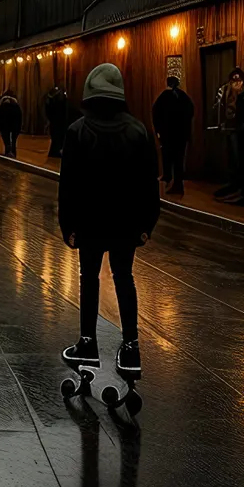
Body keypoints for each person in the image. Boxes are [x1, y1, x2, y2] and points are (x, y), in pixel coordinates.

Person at [59, 63, 159, 380]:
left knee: (89, 278)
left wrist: (68, 225)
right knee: (123, 277)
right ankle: (131, 347)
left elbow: (69, 184)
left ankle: (87, 344)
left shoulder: (77, 131)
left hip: (89, 221)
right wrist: (147, 224)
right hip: (126, 223)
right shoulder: (138, 130)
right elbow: (149, 183)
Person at [215, 67, 244, 205]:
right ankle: (234, 187)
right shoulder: (227, 91)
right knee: (233, 159)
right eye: (234, 80)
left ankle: (243, 192)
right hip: (231, 129)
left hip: (241, 131)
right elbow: (222, 107)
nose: (236, 83)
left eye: (239, 80)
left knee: (241, 160)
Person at [152, 74, 194, 196]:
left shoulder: (164, 96)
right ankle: (176, 184)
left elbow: (155, 113)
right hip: (180, 134)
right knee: (178, 161)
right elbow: (191, 111)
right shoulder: (183, 96)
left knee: (168, 158)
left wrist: (158, 130)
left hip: (168, 134)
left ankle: (170, 180)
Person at [43, 85, 69, 158]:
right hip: (57, 121)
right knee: (57, 138)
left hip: (57, 121)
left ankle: (55, 152)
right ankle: (56, 152)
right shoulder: (56, 101)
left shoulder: (51, 100)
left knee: (57, 138)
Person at [0, 90, 22, 157]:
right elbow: (20, 117)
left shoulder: (2, 106)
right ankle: (13, 153)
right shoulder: (16, 106)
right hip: (15, 126)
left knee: (6, 140)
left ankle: (7, 152)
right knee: (14, 141)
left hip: (4, 127)